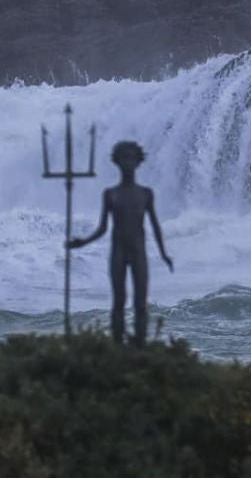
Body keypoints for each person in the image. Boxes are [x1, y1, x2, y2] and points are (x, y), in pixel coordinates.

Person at [67, 140, 173, 345]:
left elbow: (155, 225)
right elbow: (102, 228)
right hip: (118, 252)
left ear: (138, 162)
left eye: (131, 158)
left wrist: (164, 254)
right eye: (123, 158)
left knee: (141, 303)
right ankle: (117, 346)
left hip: (139, 252)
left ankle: (140, 345)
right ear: (116, 162)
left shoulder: (145, 194)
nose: (127, 162)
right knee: (118, 301)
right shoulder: (110, 194)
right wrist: (82, 242)